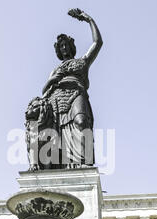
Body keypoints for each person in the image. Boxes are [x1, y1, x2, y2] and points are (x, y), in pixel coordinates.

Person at [42, 9, 103, 168]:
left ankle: (84, 162)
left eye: (65, 44)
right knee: (58, 136)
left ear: (71, 46)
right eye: (60, 46)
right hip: (57, 98)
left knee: (81, 121)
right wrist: (51, 81)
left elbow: (98, 43)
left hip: (76, 93)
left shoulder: (81, 62)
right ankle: (66, 165)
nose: (63, 48)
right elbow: (44, 92)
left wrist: (89, 20)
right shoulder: (55, 70)